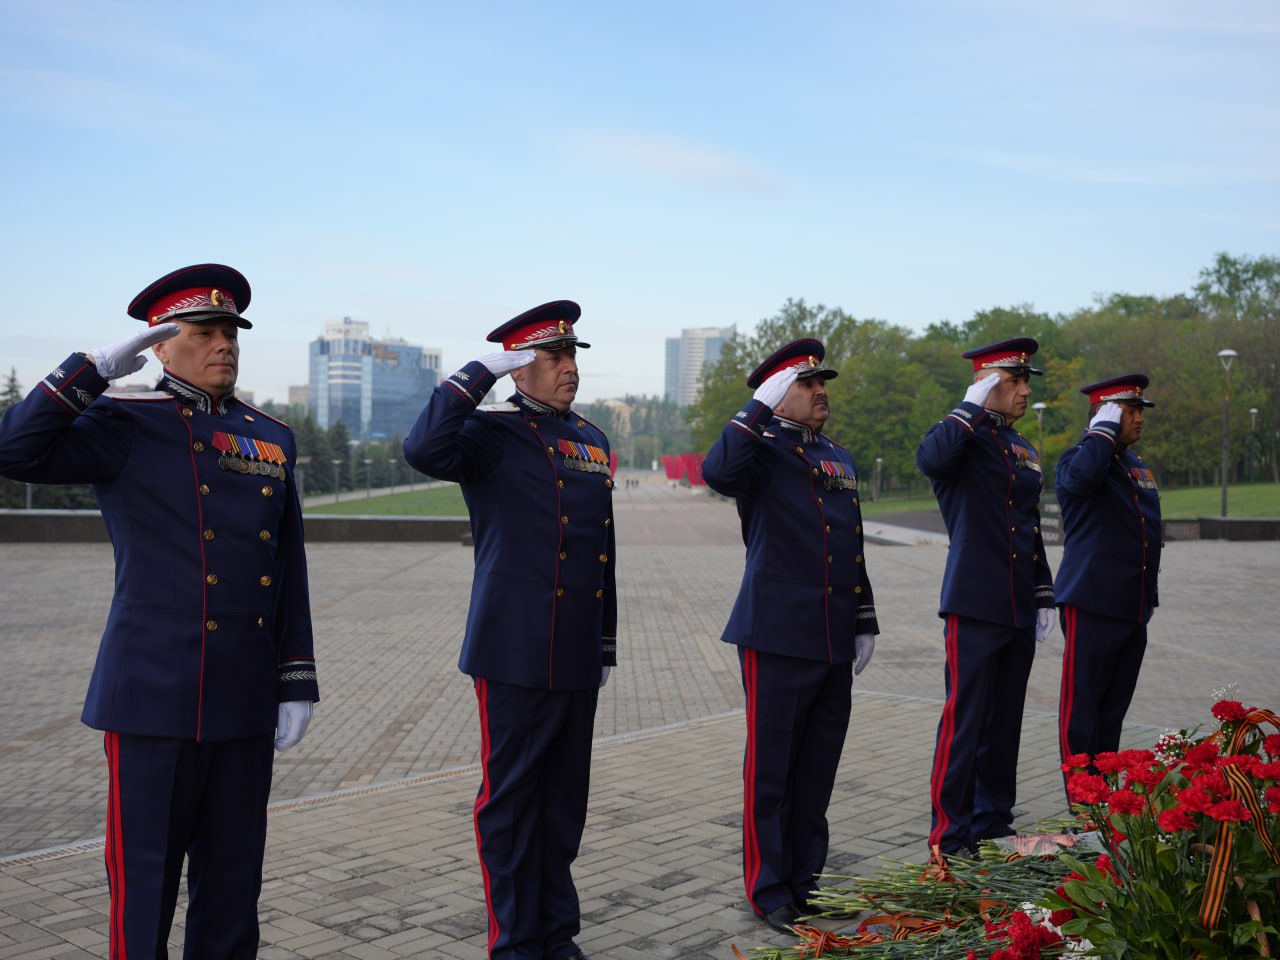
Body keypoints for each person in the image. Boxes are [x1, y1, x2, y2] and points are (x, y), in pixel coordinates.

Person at [0, 264, 319, 957]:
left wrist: (296, 678)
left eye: (230, 333)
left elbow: (286, 566)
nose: (224, 346)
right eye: (203, 333)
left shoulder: (271, 436)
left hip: (242, 694)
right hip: (152, 696)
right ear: (161, 345)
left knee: (233, 892)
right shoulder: (123, 422)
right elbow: (13, 449)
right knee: (144, 888)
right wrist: (87, 372)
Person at [403, 300, 615, 960]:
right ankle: (517, 942)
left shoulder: (591, 439)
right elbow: (422, 447)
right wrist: (474, 375)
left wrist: (605, 639)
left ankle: (557, 933)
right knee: (511, 805)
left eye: (572, 354)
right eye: (553, 357)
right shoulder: (488, 434)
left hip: (576, 648)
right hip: (514, 647)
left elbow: (600, 547)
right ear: (521, 369)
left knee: (563, 807)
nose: (568, 367)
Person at [701, 339, 879, 933]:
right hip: (777, 633)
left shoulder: (836, 454)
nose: (820, 390)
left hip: (831, 632)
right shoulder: (758, 450)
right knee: (773, 769)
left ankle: (808, 882)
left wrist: (863, 618)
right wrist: (757, 407)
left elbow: (850, 544)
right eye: (805, 385)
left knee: (817, 768)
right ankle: (769, 888)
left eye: (820, 381)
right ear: (779, 395)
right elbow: (717, 471)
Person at [916, 338, 1055, 861]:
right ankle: (949, 836)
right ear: (985, 383)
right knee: (966, 721)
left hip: (1018, 602)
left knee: (1005, 720)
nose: (1024, 390)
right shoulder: (960, 437)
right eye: (1013, 381)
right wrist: (970, 404)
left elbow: (1029, 522)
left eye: (1026, 382)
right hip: (975, 602)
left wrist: (1044, 590)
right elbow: (929, 458)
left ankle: (993, 820)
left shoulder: (1021, 445)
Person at [1055, 374, 1161, 791]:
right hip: (1092, 604)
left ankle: (1106, 802)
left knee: (1112, 712)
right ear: (1108, 414)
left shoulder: (1134, 464)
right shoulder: (1080, 458)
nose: (1139, 418)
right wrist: (1101, 431)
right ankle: (1084, 808)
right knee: (1082, 713)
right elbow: (1079, 481)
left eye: (1138, 410)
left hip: (1133, 605)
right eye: (1130, 411)